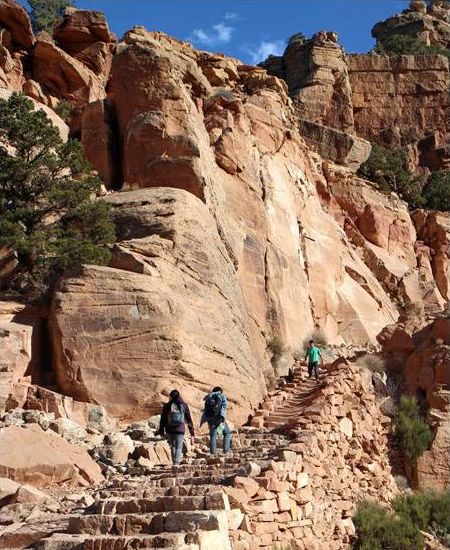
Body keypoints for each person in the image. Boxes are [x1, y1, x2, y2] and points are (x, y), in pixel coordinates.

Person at [157, 389, 195, 467]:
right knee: (179, 446)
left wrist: (161, 430)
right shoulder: (184, 405)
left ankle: (174, 462)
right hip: (180, 429)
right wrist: (192, 431)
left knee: (173, 446)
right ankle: (176, 464)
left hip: (169, 429)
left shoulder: (167, 406)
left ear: (170, 397)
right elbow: (189, 418)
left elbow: (163, 419)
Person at [201, 386, 231, 455]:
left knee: (213, 436)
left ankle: (213, 453)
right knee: (227, 433)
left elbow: (205, 410)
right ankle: (226, 451)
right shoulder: (222, 396)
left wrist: (207, 420)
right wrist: (223, 418)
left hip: (211, 419)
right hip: (219, 419)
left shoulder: (209, 398)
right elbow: (224, 407)